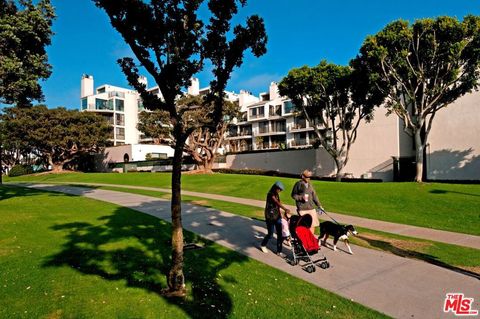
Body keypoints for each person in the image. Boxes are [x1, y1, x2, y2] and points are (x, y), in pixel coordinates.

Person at [260, 181, 290, 257]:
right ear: (275, 188)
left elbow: (277, 206)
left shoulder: (276, 194)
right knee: (270, 234)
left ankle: (279, 252)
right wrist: (285, 209)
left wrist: (283, 214)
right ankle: (263, 245)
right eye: (279, 189)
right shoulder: (270, 194)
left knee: (280, 234)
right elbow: (276, 202)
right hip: (270, 216)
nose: (280, 191)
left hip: (277, 216)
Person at [291, 169, 323, 235]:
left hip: (311, 208)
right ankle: (304, 240)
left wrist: (319, 205)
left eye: (309, 177)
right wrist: (301, 198)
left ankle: (311, 239)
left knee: (313, 225)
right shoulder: (298, 184)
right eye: (307, 177)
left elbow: (314, 196)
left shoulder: (310, 185)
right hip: (302, 209)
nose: (309, 178)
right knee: (305, 226)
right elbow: (293, 195)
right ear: (303, 176)